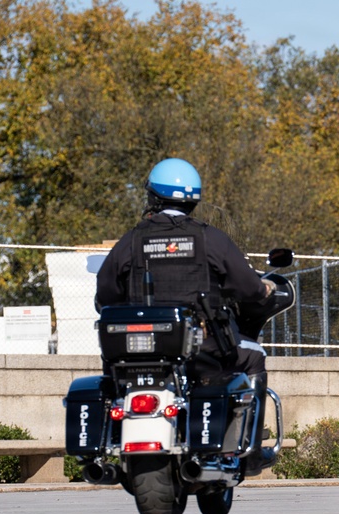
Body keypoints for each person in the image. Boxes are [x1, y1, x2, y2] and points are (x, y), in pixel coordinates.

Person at [95, 157, 277, 475]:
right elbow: (248, 288)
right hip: (203, 349)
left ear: (152, 196)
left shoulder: (132, 241)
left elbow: (105, 295)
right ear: (193, 199)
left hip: (137, 355)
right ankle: (249, 456)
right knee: (255, 357)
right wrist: (264, 290)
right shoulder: (209, 239)